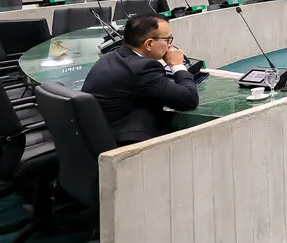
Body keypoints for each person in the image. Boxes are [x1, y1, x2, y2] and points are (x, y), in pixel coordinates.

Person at [81, 14, 199, 145]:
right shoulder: (142, 68)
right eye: (168, 40)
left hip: (98, 138)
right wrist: (177, 65)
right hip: (127, 146)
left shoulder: (110, 57)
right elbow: (189, 100)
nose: (170, 46)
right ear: (149, 44)